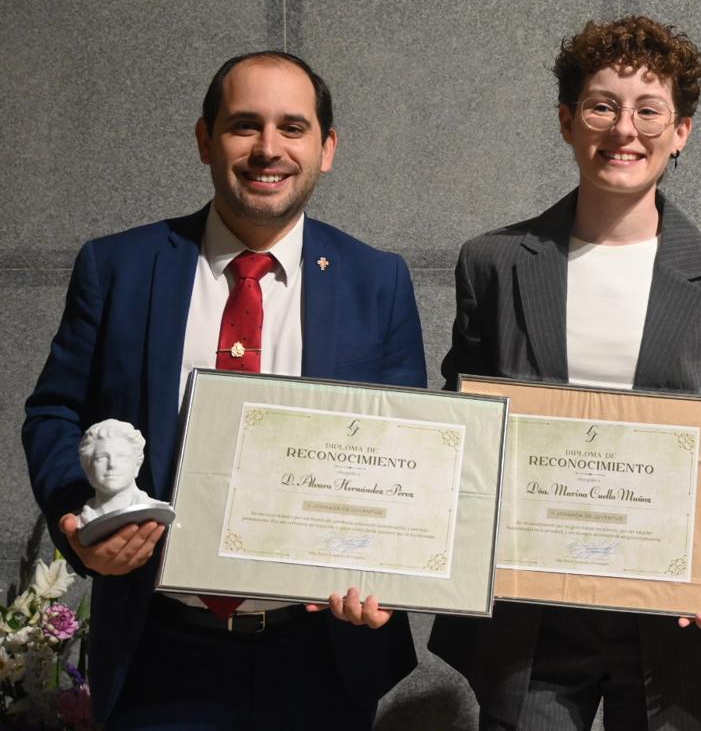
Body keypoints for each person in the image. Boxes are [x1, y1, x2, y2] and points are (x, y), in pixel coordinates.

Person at [23, 51, 426, 728]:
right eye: (245, 125)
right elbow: (56, 411)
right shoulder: (119, 266)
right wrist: (75, 519)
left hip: (323, 652)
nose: (269, 149)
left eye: (293, 128)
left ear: (327, 149)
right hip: (160, 652)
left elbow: (406, 448)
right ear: (205, 139)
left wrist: (389, 568)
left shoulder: (376, 281)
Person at [424, 16, 701, 730]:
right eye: (602, 106)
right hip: (532, 615)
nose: (624, 131)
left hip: (674, 614)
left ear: (682, 133)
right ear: (566, 121)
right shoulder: (493, 263)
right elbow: (465, 427)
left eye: (650, 111)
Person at [76, 420, 166, 524]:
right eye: (102, 458)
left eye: (122, 457)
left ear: (137, 465)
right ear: (88, 468)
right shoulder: (80, 522)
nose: (112, 464)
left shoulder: (157, 512)